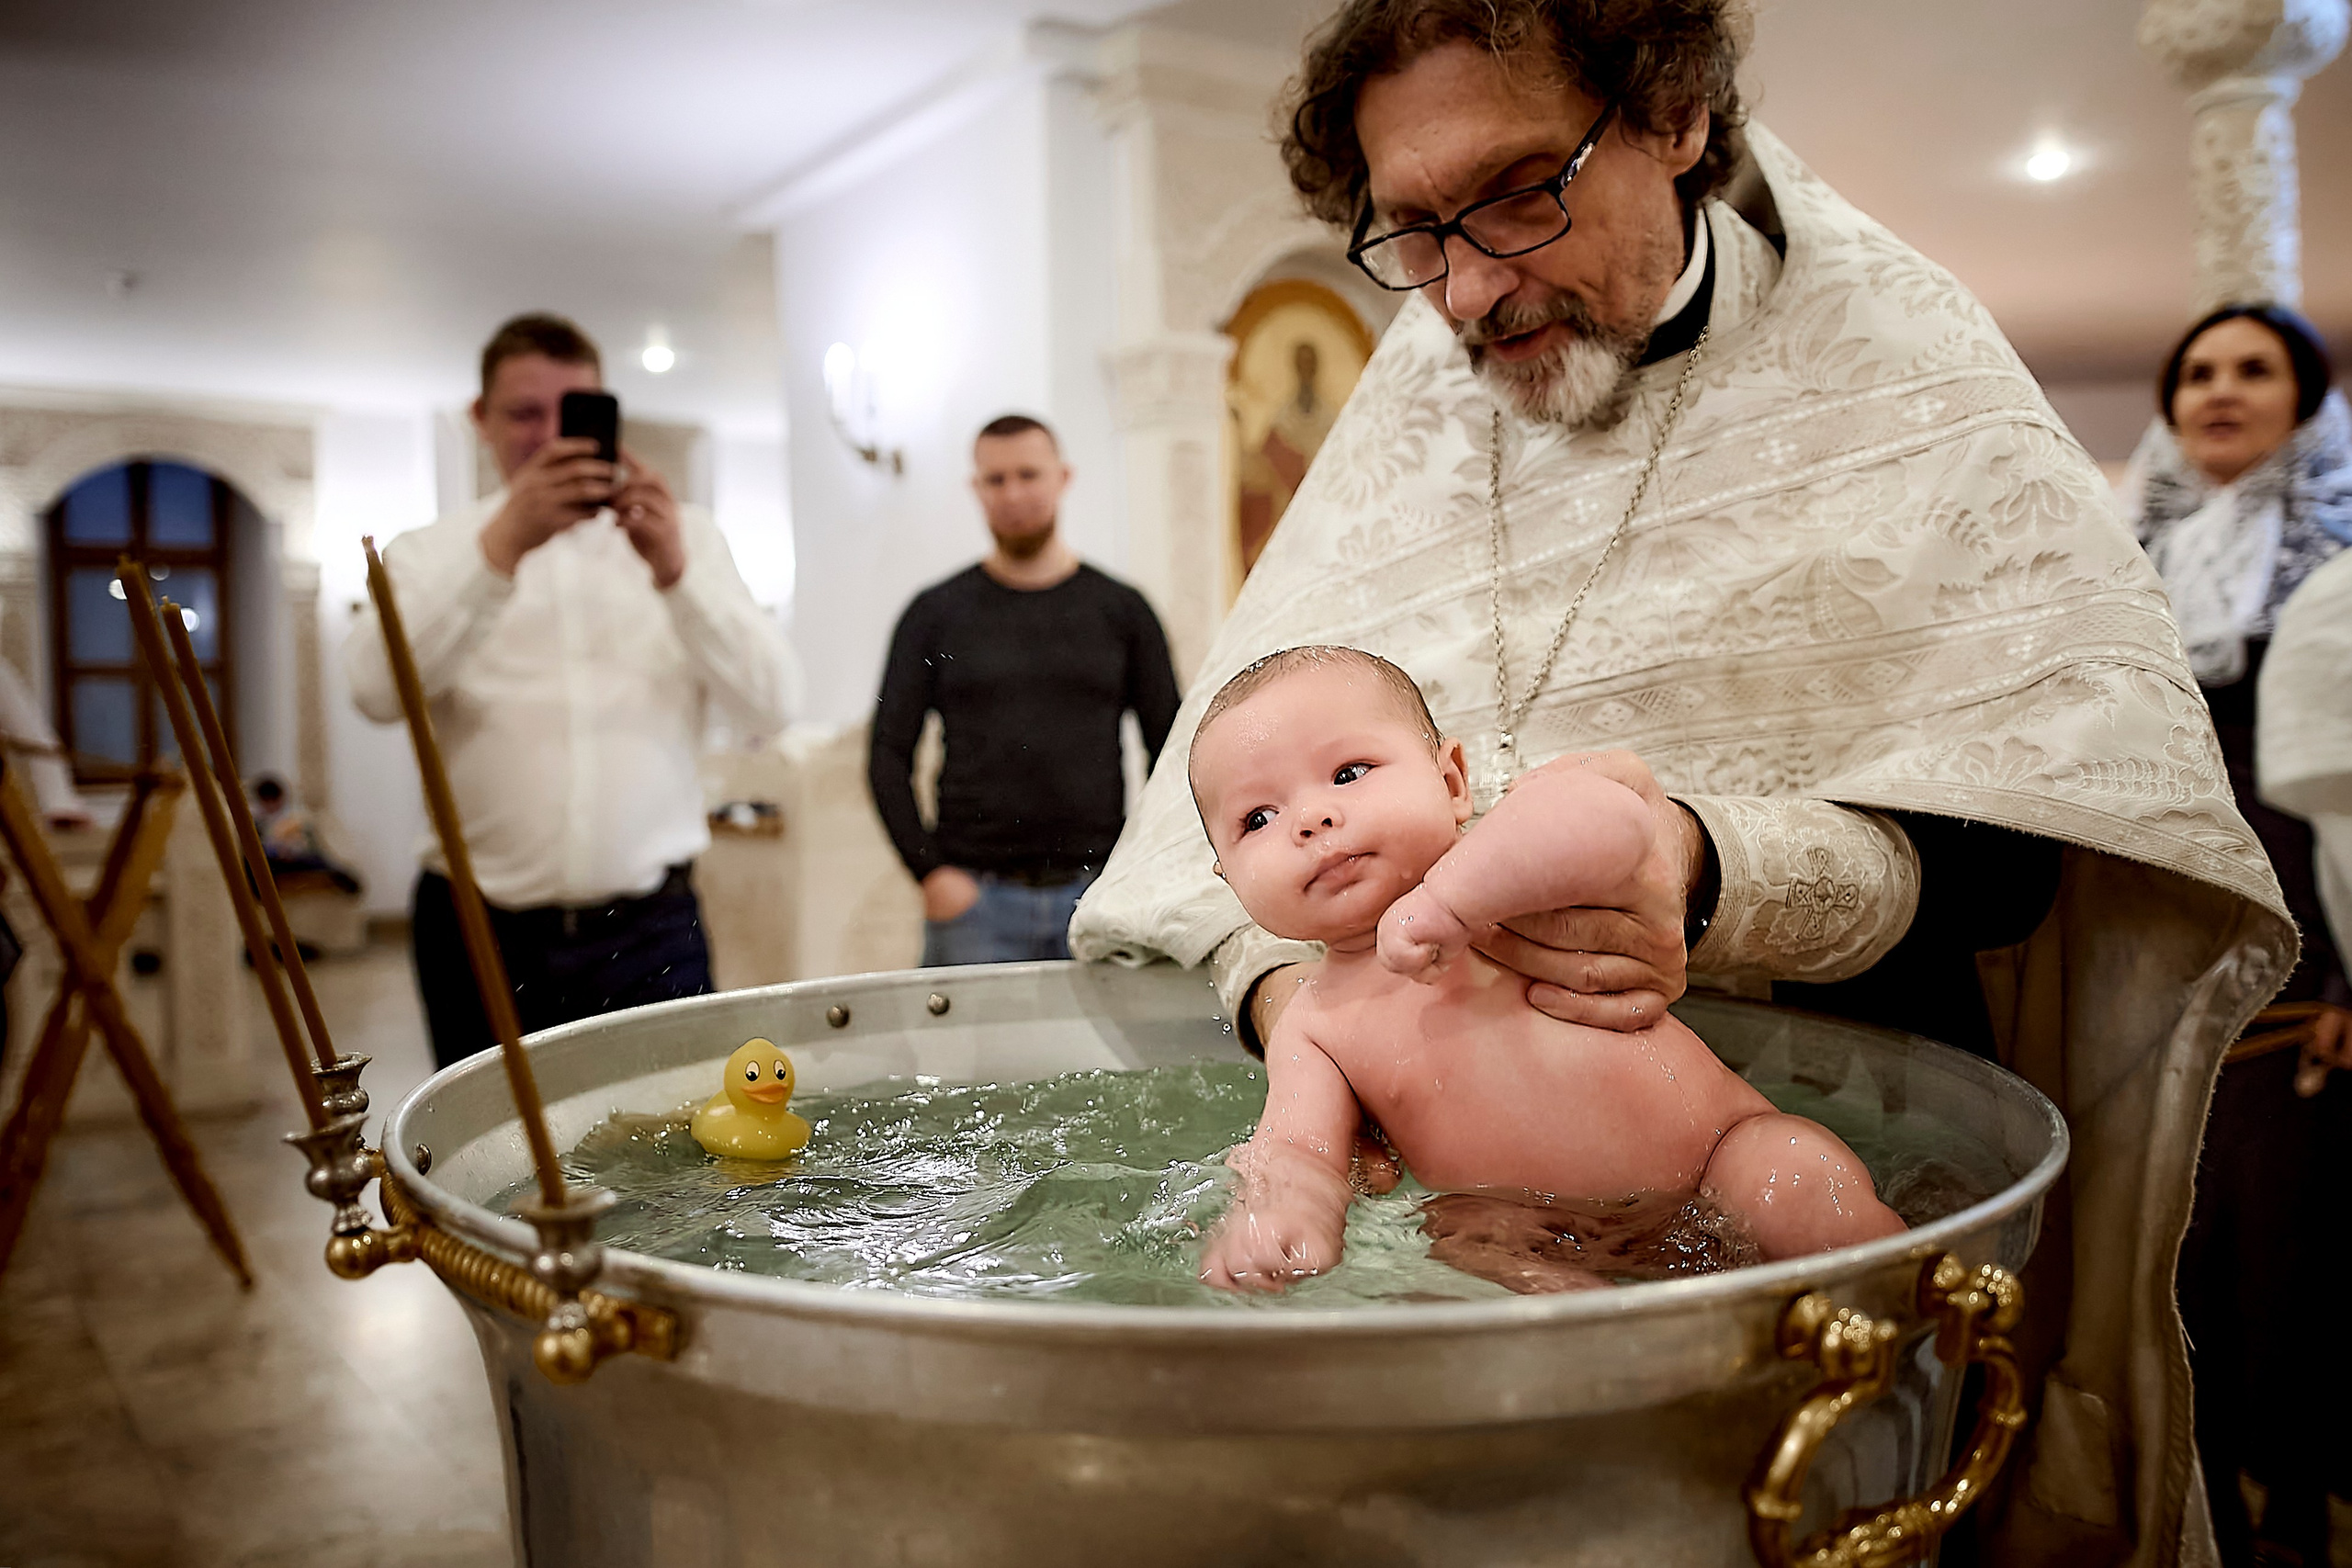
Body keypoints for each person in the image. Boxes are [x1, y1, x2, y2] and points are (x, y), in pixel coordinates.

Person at [1070, 4, 2293, 1562]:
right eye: (1419, 230)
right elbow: (1216, 831)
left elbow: (2033, 840)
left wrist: (1711, 865)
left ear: (1680, 118)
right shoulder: (1408, 415)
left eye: (1523, 189)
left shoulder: (1901, 370)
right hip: (1476, 1209)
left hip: (1829, 1107)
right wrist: (1323, 1041)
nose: (1475, 285)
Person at [1187, 646, 1903, 1292]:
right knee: (1471, 1248)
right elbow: (1297, 1152)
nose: (1310, 818)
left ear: (1453, 781)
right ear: (1228, 881)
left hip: (1719, 1160)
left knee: (1798, 1182)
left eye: (1349, 773)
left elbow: (1617, 825)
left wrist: (1452, 900)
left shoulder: (1516, 871)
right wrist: (1278, 1222)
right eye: (1257, 819)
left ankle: (1904, 1319)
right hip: (1519, 1225)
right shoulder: (1313, 1024)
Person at [347, 313, 797, 1068]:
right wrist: (498, 552)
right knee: (490, 1172)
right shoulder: (431, 551)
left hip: (653, 925)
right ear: (479, 420)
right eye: (525, 413)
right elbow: (373, 691)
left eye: (574, 411)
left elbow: (774, 705)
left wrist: (676, 575)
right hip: (477, 930)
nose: (553, 435)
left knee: (673, 1165)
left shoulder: (688, 538)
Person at [2125, 303, 2352, 1568]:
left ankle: (2306, 1519)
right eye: (2197, 368)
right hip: (2170, 947)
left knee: (2300, 1261)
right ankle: (2194, 1507)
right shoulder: (2125, 558)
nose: (2221, 389)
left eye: (2253, 369)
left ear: (2305, 400)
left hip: (2314, 956)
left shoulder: (2342, 561)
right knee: (2180, 1251)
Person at [868, 414, 1180, 965]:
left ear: (1063, 477)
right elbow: (888, 755)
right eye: (996, 479)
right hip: (973, 902)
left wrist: (1142, 867)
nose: (1013, 493)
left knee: (1097, 1057)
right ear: (976, 489)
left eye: (1028, 475)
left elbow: (1173, 750)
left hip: (1099, 894)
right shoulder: (935, 614)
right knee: (967, 1056)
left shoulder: (1122, 611)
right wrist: (931, 874)